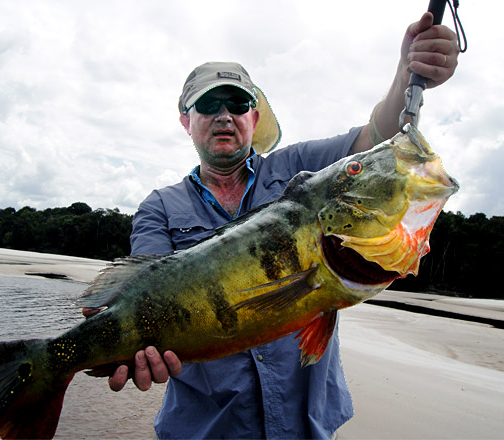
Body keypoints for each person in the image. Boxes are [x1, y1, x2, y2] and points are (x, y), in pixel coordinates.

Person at [84, 11, 459, 439]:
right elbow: (140, 293)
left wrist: (407, 73)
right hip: (207, 429)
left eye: (239, 104)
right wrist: (131, 354)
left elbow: (377, 137)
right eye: (208, 105)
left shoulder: (301, 172)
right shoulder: (159, 207)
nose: (225, 116)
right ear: (186, 121)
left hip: (306, 424)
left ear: (254, 119)